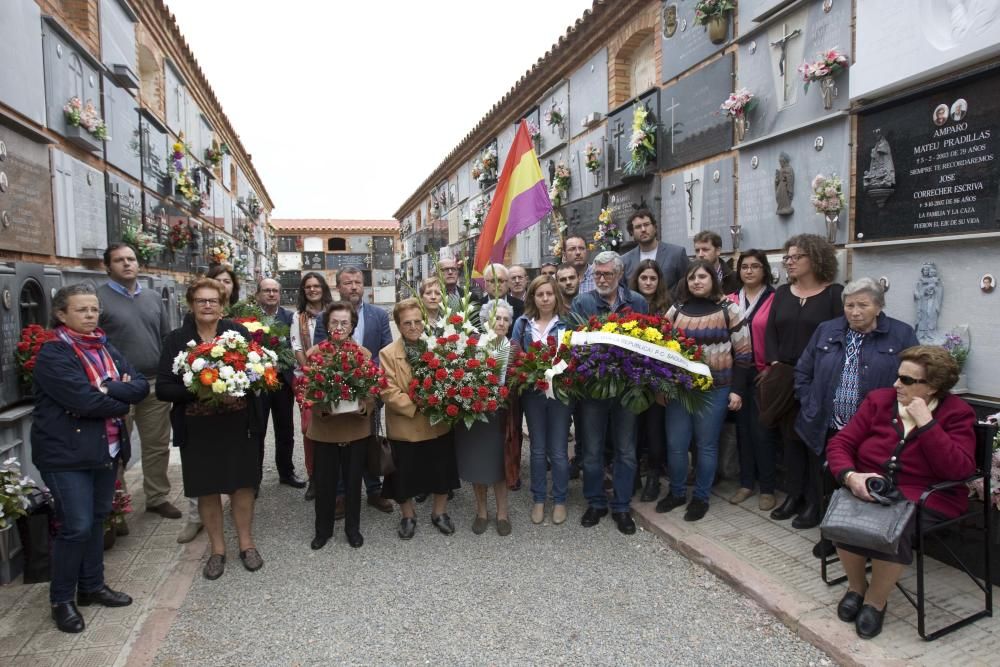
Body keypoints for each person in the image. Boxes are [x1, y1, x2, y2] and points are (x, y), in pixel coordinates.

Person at [826, 346, 975, 640]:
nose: (896, 384)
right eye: (898, 376)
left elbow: (959, 470)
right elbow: (841, 444)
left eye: (907, 380)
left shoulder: (958, 414)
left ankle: (875, 602)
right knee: (845, 511)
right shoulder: (878, 401)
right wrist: (851, 476)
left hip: (928, 496)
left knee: (898, 526)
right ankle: (857, 587)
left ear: (932, 387)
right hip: (873, 486)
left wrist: (927, 423)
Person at [32, 284, 148, 634]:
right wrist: (118, 395)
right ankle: (62, 599)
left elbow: (140, 385)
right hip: (67, 454)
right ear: (61, 314)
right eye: (81, 310)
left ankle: (92, 586)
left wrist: (108, 389)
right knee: (76, 526)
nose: (90, 316)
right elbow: (83, 402)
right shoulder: (54, 354)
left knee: (98, 519)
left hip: (104, 448)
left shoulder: (104, 346)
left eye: (94, 309)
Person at [794, 277, 919, 555]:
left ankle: (862, 537)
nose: (854, 311)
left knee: (862, 482)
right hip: (826, 421)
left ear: (878, 306)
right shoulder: (826, 330)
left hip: (872, 429)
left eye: (862, 305)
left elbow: (914, 381)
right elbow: (803, 371)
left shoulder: (901, 335)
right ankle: (830, 533)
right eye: (849, 305)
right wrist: (809, 402)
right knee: (826, 479)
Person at [157, 278, 263, 580]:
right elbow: (164, 388)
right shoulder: (177, 340)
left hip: (236, 423)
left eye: (213, 301)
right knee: (207, 489)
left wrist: (237, 387)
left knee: (242, 485)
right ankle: (217, 550)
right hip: (197, 426)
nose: (207, 306)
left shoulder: (237, 334)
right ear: (191, 304)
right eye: (201, 301)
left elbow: (257, 373)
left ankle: (246, 543)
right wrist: (200, 389)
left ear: (222, 305)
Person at [656, 261, 751, 521]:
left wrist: (737, 391)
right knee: (676, 445)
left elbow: (743, 354)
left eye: (702, 276)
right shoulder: (677, 310)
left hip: (716, 390)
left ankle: (700, 497)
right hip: (678, 389)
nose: (696, 281)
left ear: (713, 279)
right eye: (691, 277)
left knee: (706, 446)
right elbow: (660, 350)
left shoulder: (729, 309)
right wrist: (661, 387)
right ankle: (676, 493)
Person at [96, 243, 180, 526]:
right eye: (119, 260)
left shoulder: (154, 298)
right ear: (108, 266)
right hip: (118, 386)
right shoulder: (99, 299)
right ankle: (116, 506)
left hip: (153, 383)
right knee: (116, 448)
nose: (127, 264)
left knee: (156, 444)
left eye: (131, 259)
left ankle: (157, 497)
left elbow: (165, 336)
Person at [764, 234, 844, 529]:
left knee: (814, 443)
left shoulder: (834, 294)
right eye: (787, 258)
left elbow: (842, 338)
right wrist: (774, 363)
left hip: (818, 381)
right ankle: (794, 495)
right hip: (785, 377)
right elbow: (771, 331)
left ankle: (815, 501)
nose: (790, 262)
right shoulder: (783, 293)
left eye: (796, 257)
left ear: (815, 258)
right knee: (790, 441)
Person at [571, 251, 649, 534]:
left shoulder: (637, 302)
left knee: (626, 450)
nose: (602, 279)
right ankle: (595, 502)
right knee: (592, 450)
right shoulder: (583, 302)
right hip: (594, 389)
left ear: (620, 275)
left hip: (628, 389)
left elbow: (649, 342)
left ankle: (622, 506)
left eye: (608, 274)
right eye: (598, 275)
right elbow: (573, 341)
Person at [380, 298, 460, 539]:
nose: (413, 326)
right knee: (403, 474)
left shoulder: (437, 346)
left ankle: (439, 512)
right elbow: (387, 390)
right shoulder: (388, 353)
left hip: (437, 424)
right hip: (406, 425)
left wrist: (441, 400)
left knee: (441, 470)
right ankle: (407, 515)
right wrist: (419, 405)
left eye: (417, 321)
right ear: (398, 325)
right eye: (407, 323)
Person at [305, 302, 372, 550]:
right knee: (325, 483)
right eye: (334, 322)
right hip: (325, 429)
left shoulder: (363, 354)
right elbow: (308, 391)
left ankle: (352, 529)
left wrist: (364, 406)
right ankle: (322, 530)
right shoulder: (315, 355)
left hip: (355, 428)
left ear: (353, 325)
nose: (339, 327)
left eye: (345, 322)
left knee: (354, 483)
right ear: (326, 325)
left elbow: (372, 390)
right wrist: (322, 407)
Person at [511, 276, 574, 525]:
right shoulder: (523, 324)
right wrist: (528, 367)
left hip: (559, 394)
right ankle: (539, 499)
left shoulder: (566, 324)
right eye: (540, 294)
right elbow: (515, 356)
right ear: (533, 298)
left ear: (556, 296)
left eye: (549, 294)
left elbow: (573, 357)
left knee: (558, 450)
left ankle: (559, 500)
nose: (545, 299)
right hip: (533, 394)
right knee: (537, 449)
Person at [335, 266, 394, 514]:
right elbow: (321, 348)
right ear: (339, 287)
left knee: (369, 438)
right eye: (348, 283)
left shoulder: (378, 316)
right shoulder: (330, 315)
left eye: (357, 282)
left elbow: (386, 350)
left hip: (369, 390)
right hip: (336, 389)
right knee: (340, 440)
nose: (353, 287)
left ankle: (373, 490)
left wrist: (368, 380)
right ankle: (341, 494)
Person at [454, 300, 514, 535]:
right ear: (487, 321)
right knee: (477, 463)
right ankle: (481, 511)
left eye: (505, 319)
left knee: (499, 463)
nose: (500, 323)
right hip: (474, 412)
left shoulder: (513, 347)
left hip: (499, 414)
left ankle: (502, 513)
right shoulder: (473, 346)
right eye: (496, 318)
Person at [728, 250, 778, 511]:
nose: (749, 271)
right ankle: (746, 483)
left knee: (762, 431)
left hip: (762, 373)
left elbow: (780, 333)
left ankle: (768, 488)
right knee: (743, 431)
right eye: (744, 266)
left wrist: (772, 365)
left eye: (755, 266)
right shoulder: (730, 299)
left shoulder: (775, 298)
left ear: (764, 270)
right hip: (738, 373)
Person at [253, 278, 304, 491]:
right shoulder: (249, 318)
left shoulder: (289, 318)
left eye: (275, 290)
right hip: (257, 383)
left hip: (282, 383)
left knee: (285, 429)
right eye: (267, 290)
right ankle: (253, 479)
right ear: (258, 294)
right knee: (257, 430)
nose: (271, 294)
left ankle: (286, 472)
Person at [628, 260, 671, 502]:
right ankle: (633, 474)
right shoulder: (630, 305)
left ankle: (653, 476)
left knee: (655, 432)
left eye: (652, 279)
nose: (647, 282)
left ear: (659, 282)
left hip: (656, 382)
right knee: (633, 431)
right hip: (632, 380)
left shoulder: (668, 308)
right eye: (643, 278)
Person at [291, 272, 334, 501]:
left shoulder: (334, 312)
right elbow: (297, 347)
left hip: (334, 378)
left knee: (333, 426)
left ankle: (333, 476)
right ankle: (314, 477)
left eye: (317, 285)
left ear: (323, 288)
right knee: (310, 429)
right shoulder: (298, 317)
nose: (313, 290)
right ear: (303, 290)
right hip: (307, 378)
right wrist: (312, 373)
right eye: (308, 287)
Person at [619, 208, 688, 289]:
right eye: (638, 227)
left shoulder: (677, 254)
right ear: (632, 233)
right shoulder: (625, 261)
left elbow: (687, 285)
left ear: (655, 228)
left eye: (646, 224)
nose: (643, 230)